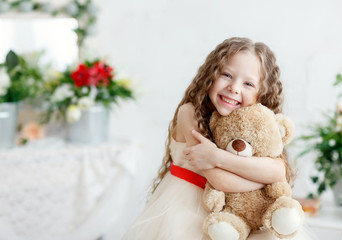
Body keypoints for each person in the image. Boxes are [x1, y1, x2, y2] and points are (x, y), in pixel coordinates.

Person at [123, 37, 317, 240]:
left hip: (236, 214)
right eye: (226, 75)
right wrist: (264, 180)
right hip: (188, 212)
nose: (234, 87)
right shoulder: (189, 113)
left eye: (248, 83)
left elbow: (279, 171)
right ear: (210, 75)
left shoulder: (255, 126)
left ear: (261, 95)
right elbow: (219, 180)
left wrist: (216, 156)